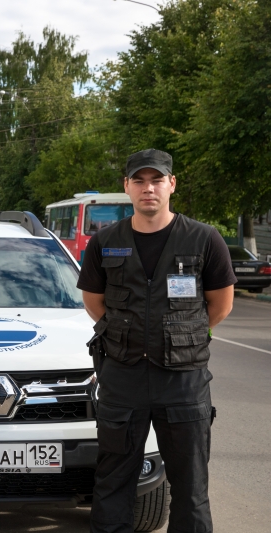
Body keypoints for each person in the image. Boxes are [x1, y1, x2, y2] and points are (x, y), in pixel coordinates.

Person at [77, 149, 236, 533]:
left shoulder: (204, 239)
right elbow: (94, 303)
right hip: (123, 376)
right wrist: (130, 333)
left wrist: (180, 338)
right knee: (113, 484)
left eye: (157, 180)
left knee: (190, 488)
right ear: (127, 187)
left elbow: (220, 305)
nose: (148, 188)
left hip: (182, 381)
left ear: (171, 184)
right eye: (140, 180)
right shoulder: (105, 241)